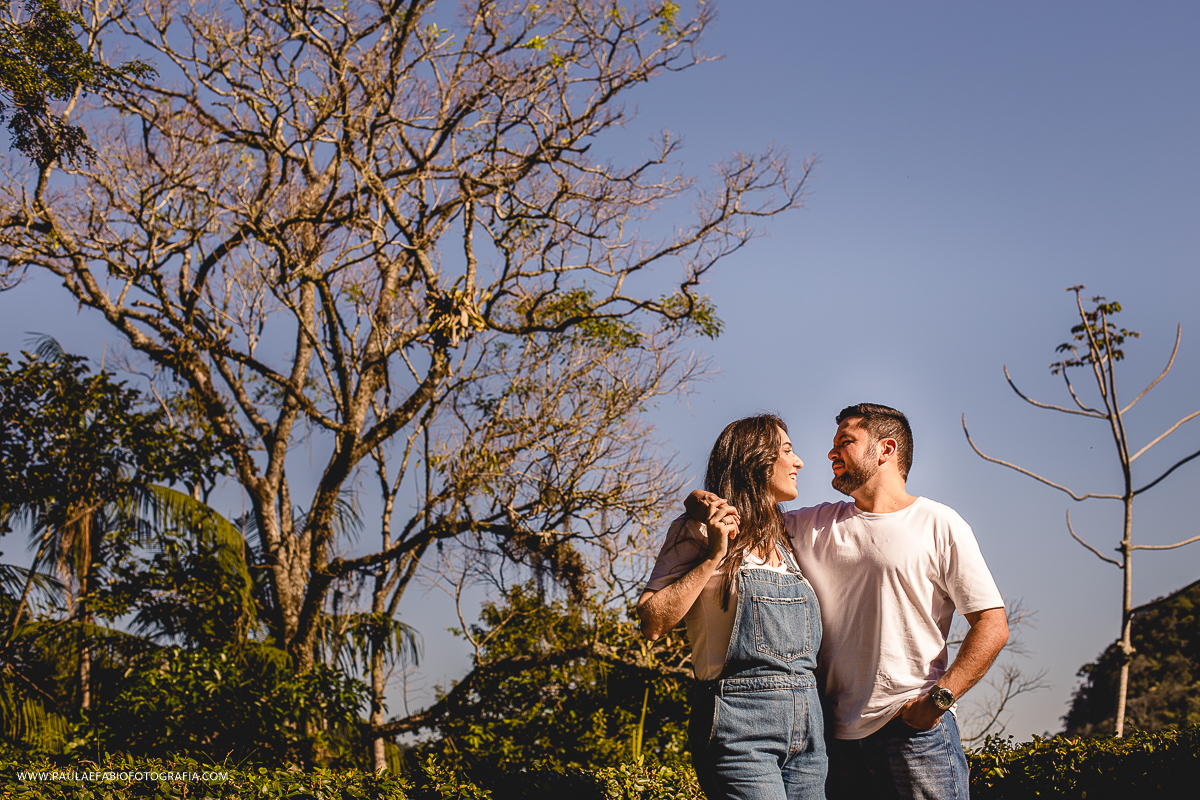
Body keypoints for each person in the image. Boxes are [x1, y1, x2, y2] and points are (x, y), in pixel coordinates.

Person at [686, 403, 1008, 800]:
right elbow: (743, 504)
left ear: (886, 450)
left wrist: (939, 700)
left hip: (914, 733)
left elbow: (992, 624)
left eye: (846, 442)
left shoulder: (940, 524)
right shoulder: (809, 525)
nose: (830, 452)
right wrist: (699, 501)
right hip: (831, 740)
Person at [638, 414, 826, 800]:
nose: (799, 462)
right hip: (740, 727)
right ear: (755, 460)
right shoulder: (699, 530)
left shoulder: (787, 533)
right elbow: (652, 620)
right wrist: (713, 557)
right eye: (787, 451)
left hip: (809, 731)